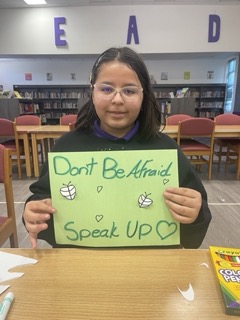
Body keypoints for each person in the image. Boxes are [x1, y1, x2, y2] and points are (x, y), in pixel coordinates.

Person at [23, 46, 211, 249]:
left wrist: (195, 214)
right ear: (92, 92)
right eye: (106, 89)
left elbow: (193, 231)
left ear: (143, 95)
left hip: (151, 265)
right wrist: (33, 213)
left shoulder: (166, 150)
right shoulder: (66, 148)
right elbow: (42, 201)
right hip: (80, 265)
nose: (117, 99)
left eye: (129, 90)